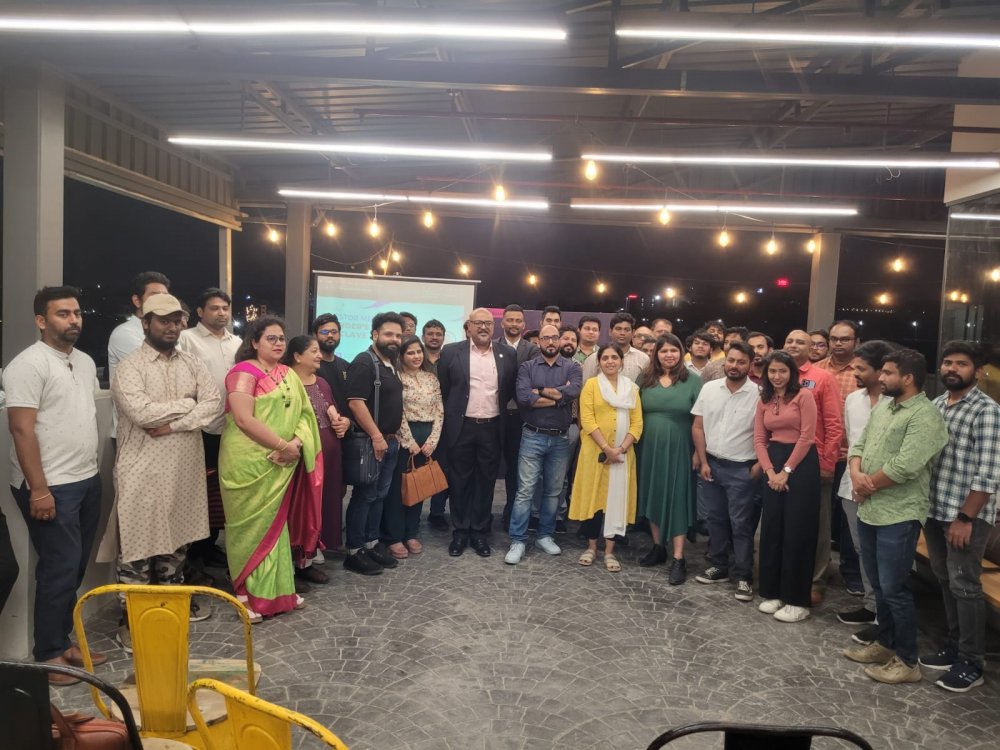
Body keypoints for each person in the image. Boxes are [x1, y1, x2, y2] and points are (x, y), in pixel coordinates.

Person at [4, 286, 104, 685]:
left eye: (77, 312)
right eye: (63, 313)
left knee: (74, 568)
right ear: (41, 321)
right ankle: (47, 655)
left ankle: (64, 642)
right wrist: (39, 489)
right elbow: (20, 429)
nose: (74, 319)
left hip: (85, 479)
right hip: (51, 486)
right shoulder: (27, 365)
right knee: (58, 569)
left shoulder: (84, 361)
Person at [110, 293, 222, 643]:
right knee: (138, 547)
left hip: (184, 470)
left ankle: (170, 608)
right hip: (142, 471)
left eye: (176, 320)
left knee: (177, 543)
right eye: (163, 320)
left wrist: (174, 423)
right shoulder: (130, 367)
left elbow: (213, 404)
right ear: (145, 322)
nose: (172, 327)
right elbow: (141, 413)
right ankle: (133, 620)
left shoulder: (192, 362)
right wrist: (188, 404)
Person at [843, 349, 949, 684]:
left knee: (895, 589)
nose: (881, 377)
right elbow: (858, 445)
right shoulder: (885, 407)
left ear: (908, 378)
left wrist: (867, 485)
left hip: (899, 514)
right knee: (879, 585)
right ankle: (886, 643)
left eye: (888, 373)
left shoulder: (925, 415)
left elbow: (906, 466)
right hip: (871, 508)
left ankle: (907, 660)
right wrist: (856, 475)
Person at [220, 316, 323, 618]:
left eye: (281, 339)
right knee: (247, 529)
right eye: (271, 338)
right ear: (254, 342)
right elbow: (243, 419)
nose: (278, 343)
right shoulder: (243, 373)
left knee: (277, 528)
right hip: (248, 464)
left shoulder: (288, 374)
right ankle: (244, 593)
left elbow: (305, 415)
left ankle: (279, 591)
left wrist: (296, 444)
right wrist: (282, 445)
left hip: (283, 462)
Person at [920, 341, 1000, 692]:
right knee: (945, 579)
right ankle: (954, 645)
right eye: (948, 362)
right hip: (935, 508)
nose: (952, 369)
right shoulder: (938, 404)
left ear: (977, 371)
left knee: (966, 585)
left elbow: (989, 473)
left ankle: (972, 662)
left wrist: (965, 518)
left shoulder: (987, 411)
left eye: (962, 364)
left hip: (967, 516)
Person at [438, 309, 517, 557]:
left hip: (492, 427)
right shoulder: (451, 352)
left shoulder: (507, 354)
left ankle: (480, 532)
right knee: (459, 480)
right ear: (469, 326)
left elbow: (508, 389)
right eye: (478, 323)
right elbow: (445, 389)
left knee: (486, 481)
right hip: (462, 426)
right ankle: (460, 532)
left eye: (488, 323)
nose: (483, 327)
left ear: (494, 327)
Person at [834, 341, 896, 643]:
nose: (855, 373)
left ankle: (886, 616)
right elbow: (853, 441)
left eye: (861, 368)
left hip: (886, 488)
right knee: (862, 549)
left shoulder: (897, 401)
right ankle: (871, 606)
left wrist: (871, 482)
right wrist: (857, 477)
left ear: (879, 370)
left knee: (885, 555)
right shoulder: (853, 399)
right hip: (853, 485)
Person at [505, 324, 582, 564]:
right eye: (545, 338)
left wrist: (539, 391)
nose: (550, 342)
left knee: (553, 491)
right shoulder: (527, 367)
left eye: (554, 338)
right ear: (539, 341)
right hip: (532, 436)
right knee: (525, 491)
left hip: (560, 438)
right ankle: (518, 540)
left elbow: (573, 392)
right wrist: (559, 397)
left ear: (559, 340)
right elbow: (524, 398)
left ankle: (545, 535)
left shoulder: (573, 367)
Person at [178, 288, 242, 574]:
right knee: (198, 493)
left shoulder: (237, 342)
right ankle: (193, 557)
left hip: (232, 429)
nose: (221, 313)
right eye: (215, 308)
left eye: (225, 308)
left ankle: (210, 546)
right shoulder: (187, 339)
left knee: (220, 493)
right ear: (200, 312)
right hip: (200, 429)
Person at [691, 342, 762, 602]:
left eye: (741, 362)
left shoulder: (759, 394)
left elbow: (766, 434)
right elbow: (698, 427)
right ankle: (719, 566)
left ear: (750, 364)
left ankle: (743, 576)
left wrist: (759, 465)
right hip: (712, 464)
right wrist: (702, 459)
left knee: (741, 524)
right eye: (731, 360)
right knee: (716, 519)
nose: (734, 366)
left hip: (742, 468)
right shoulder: (710, 388)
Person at [753, 351, 820, 624]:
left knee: (797, 531)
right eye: (772, 371)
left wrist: (786, 472)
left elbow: (807, 437)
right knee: (772, 528)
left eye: (782, 371)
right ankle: (772, 592)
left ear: (792, 372)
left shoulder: (804, 396)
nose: (777, 376)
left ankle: (796, 600)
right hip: (773, 463)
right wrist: (770, 471)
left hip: (801, 465)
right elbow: (759, 439)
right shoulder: (764, 399)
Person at [783, 328, 844, 606]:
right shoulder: (778, 375)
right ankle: (786, 575)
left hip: (813, 461)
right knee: (785, 521)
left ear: (812, 349)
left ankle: (816, 580)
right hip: (781, 459)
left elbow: (833, 424)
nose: (794, 345)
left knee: (817, 525)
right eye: (790, 341)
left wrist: (828, 463)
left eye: (801, 342)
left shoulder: (822, 378)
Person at [569, 345, 643, 572]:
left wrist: (620, 449)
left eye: (614, 358)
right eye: (605, 358)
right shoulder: (591, 386)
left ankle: (610, 551)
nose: (610, 361)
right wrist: (606, 448)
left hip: (622, 455)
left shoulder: (632, 388)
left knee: (616, 501)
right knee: (594, 499)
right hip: (595, 453)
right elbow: (587, 419)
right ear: (599, 362)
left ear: (621, 361)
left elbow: (637, 423)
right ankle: (591, 547)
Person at [282, 335, 349, 584]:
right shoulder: (285, 381)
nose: (320, 355)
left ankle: (309, 556)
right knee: (300, 508)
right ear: (297, 356)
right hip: (301, 457)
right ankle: (291, 562)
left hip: (329, 454)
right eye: (314, 351)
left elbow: (332, 411)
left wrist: (344, 422)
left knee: (324, 503)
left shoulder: (321, 382)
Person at [636, 334, 702, 584]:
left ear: (681, 353)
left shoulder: (693, 380)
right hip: (648, 448)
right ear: (656, 354)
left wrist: (698, 452)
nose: (669, 355)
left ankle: (678, 557)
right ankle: (658, 547)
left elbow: (701, 420)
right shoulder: (645, 379)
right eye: (664, 351)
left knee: (677, 498)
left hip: (681, 449)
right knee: (653, 493)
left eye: (674, 350)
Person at [344, 312, 406, 574]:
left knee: (379, 496)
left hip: (389, 442)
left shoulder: (391, 363)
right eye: (389, 334)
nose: (394, 339)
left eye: (398, 335)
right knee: (365, 496)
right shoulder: (364, 362)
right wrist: (377, 436)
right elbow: (355, 403)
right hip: (372, 443)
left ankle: (371, 543)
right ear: (374, 334)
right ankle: (354, 550)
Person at [814, 319, 862, 590]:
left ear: (857, 342)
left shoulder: (863, 372)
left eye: (845, 339)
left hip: (851, 457)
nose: (838, 343)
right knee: (820, 517)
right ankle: (819, 571)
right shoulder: (817, 370)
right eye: (834, 338)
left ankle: (850, 572)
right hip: (820, 454)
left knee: (847, 519)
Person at [390, 336, 444, 557]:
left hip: (427, 436)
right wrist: (409, 441)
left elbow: (439, 410)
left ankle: (411, 533)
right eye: (410, 353)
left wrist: (432, 441)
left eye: (418, 352)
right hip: (405, 436)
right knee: (399, 489)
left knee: (419, 487)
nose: (416, 356)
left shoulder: (431, 378)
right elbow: (398, 411)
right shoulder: (397, 378)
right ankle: (394, 536)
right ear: (402, 356)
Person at [107, 271, 170, 439]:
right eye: (154, 296)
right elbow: (159, 373)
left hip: (168, 428)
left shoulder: (169, 332)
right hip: (134, 432)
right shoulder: (125, 333)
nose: (161, 301)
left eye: (165, 296)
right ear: (137, 301)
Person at [311, 313, 352, 555]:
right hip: (315, 440)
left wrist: (347, 421)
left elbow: (350, 403)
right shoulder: (309, 367)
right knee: (316, 492)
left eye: (334, 332)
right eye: (325, 332)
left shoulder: (345, 365)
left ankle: (330, 535)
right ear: (315, 335)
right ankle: (313, 541)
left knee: (338, 490)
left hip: (342, 436)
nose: (330, 336)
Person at [498, 305, 541, 530]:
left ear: (524, 325)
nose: (514, 324)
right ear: (502, 322)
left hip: (520, 416)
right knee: (489, 465)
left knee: (515, 468)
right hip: (494, 414)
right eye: (510, 320)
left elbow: (530, 380)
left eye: (518, 321)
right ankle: (481, 515)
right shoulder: (492, 346)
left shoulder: (532, 350)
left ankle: (511, 513)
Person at [581, 312, 649, 382]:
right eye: (618, 329)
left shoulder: (643, 359)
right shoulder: (594, 358)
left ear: (633, 333)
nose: (622, 333)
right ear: (610, 332)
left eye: (626, 329)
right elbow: (586, 385)